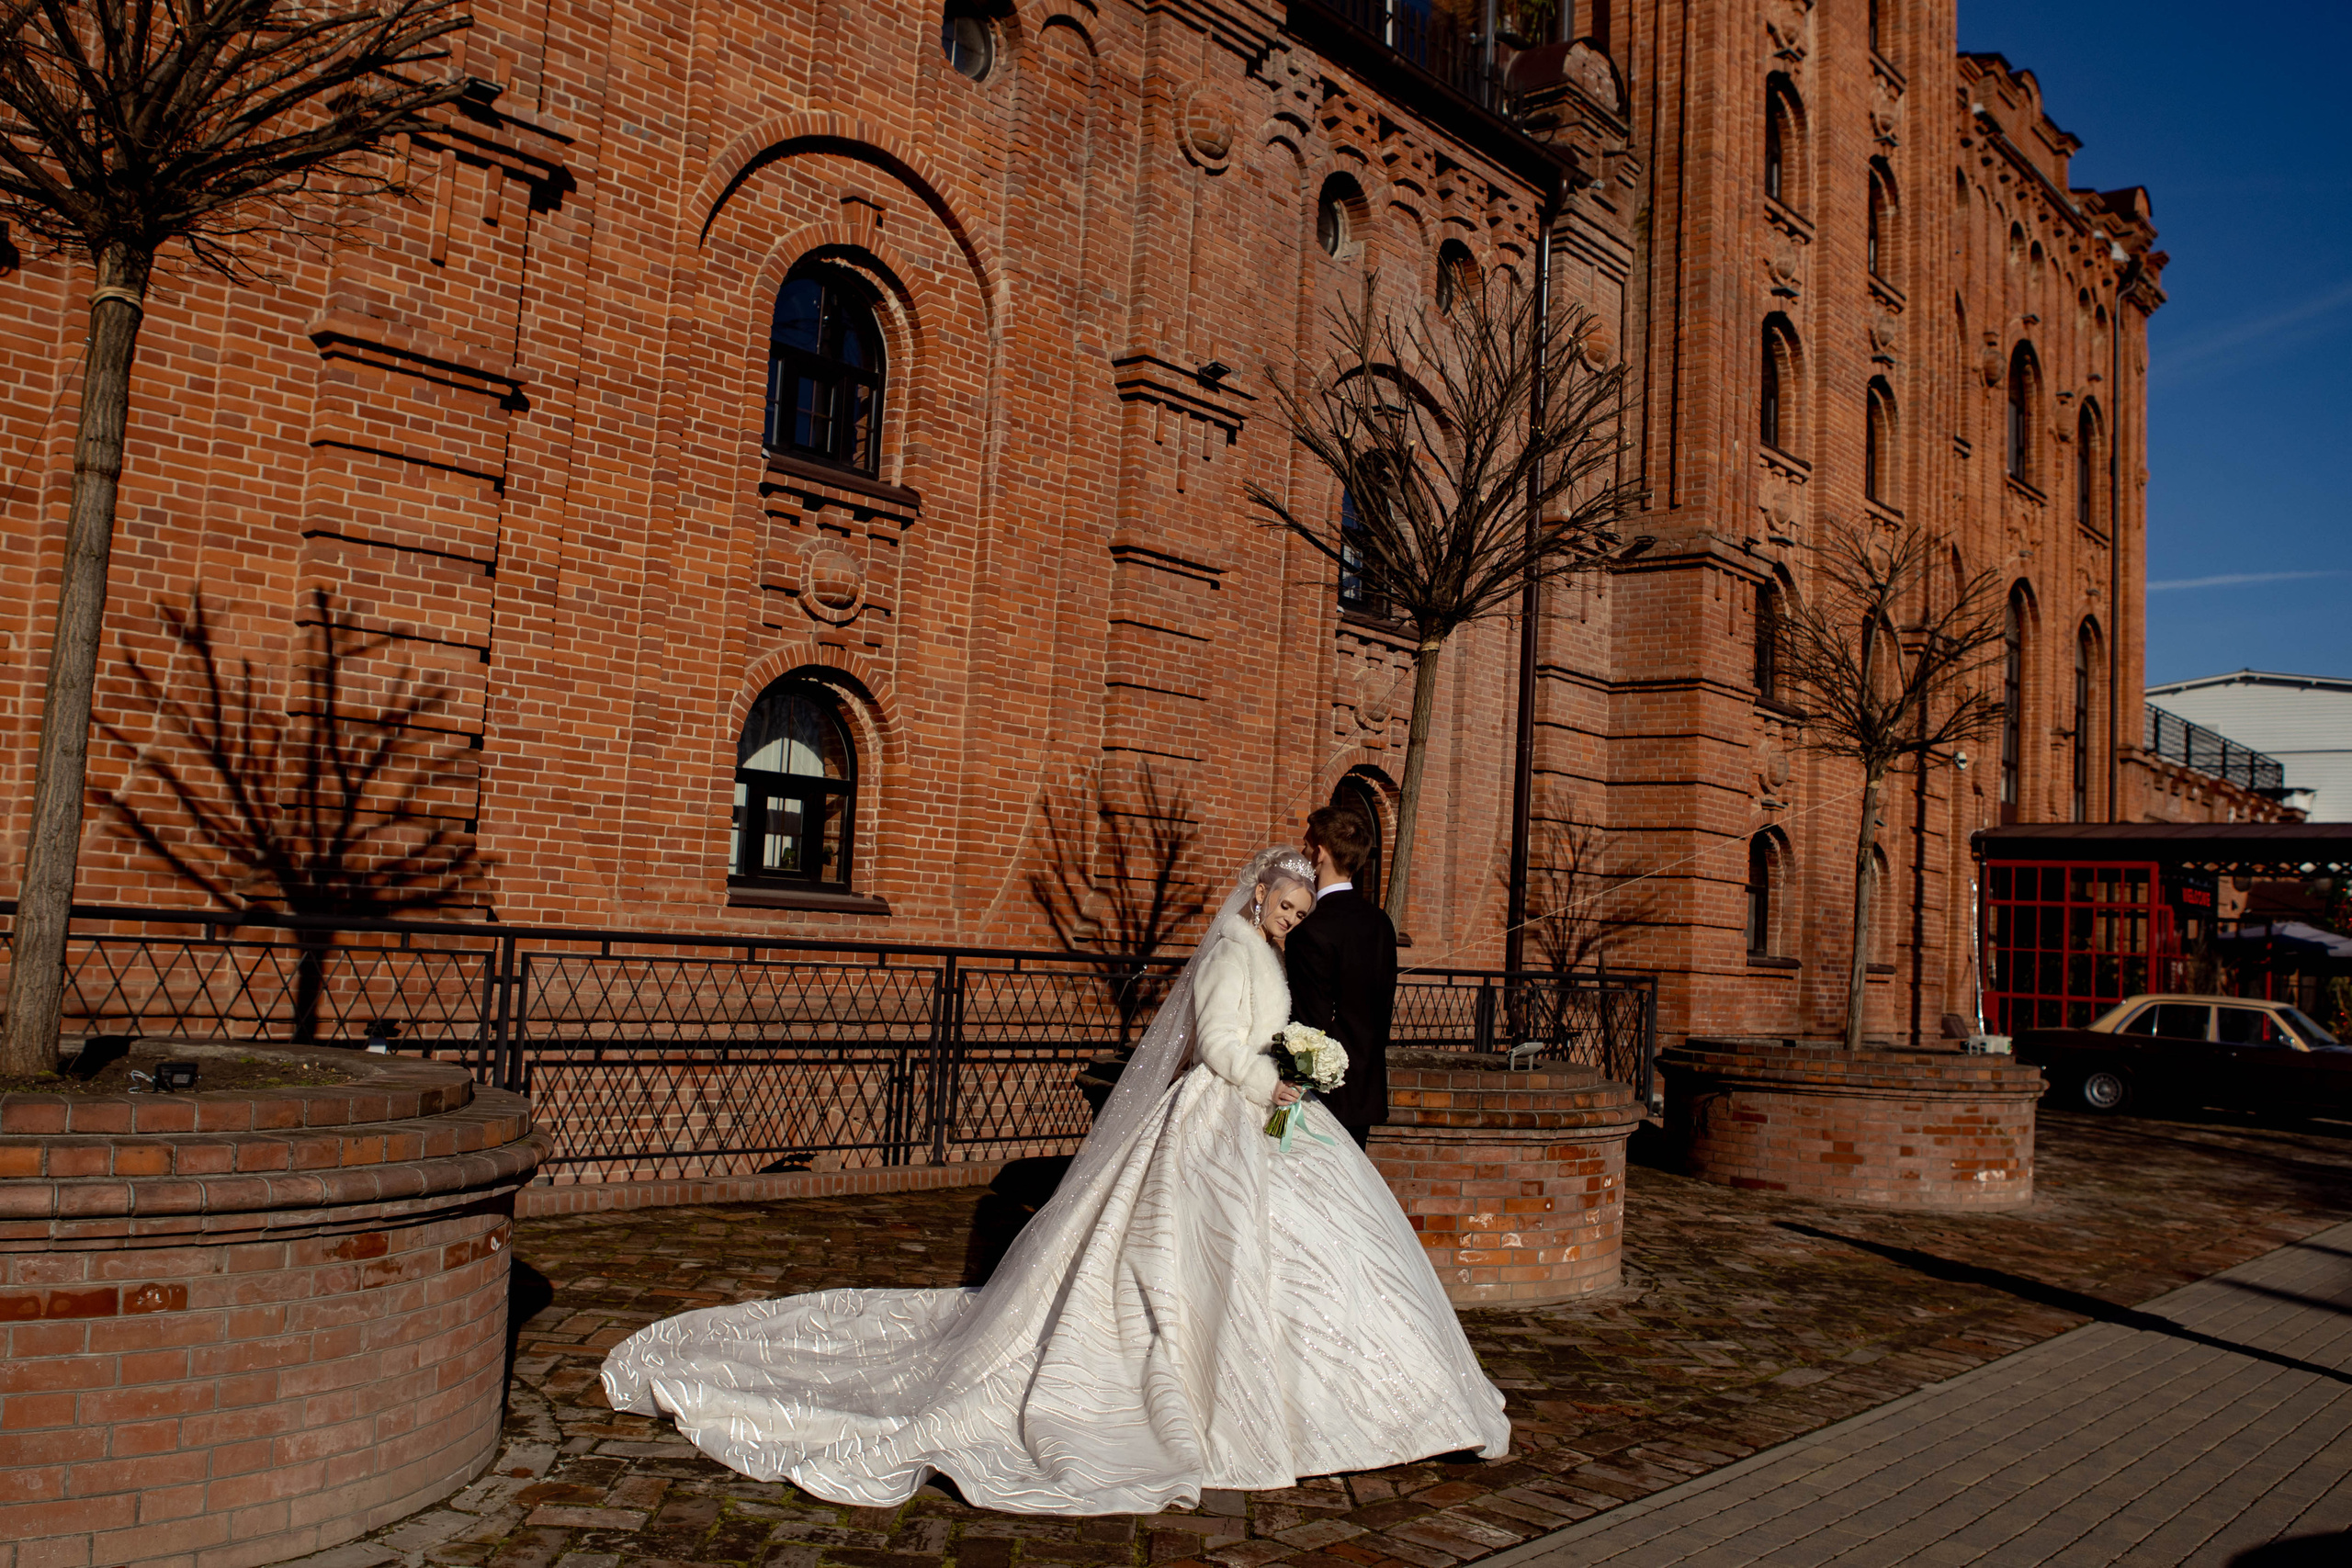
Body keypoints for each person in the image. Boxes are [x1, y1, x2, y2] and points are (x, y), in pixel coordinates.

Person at [601, 848, 1508, 1516]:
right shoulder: (1234, 953)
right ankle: (1229, 1398)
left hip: (1256, 1117)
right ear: (1260, 893)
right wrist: (1269, 1075)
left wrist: (1287, 1067)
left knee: (1308, 1260)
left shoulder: (1264, 953)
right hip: (1221, 1118)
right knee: (1200, 1258)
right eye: (1283, 902)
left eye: (1301, 908)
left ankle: (1363, 1397)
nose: (1290, 916)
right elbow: (1222, 1045)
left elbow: (1253, 1035)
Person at [1285, 804, 1397, 1149]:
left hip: (1322, 1101)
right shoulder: (1381, 923)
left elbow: (1309, 1024)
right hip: (1366, 1092)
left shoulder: (1310, 932)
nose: (1303, 852)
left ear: (1319, 853)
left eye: (1306, 845)